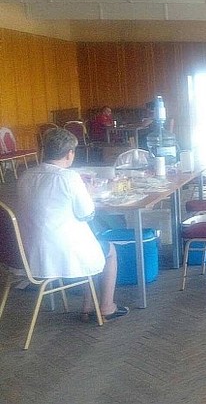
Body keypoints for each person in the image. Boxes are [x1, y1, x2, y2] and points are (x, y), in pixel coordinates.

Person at [16, 128, 129, 321]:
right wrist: (88, 194)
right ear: (70, 154)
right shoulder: (68, 177)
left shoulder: (26, 175)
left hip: (30, 252)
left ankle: (88, 305)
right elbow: (87, 214)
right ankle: (106, 307)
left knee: (89, 241)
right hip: (60, 253)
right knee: (108, 250)